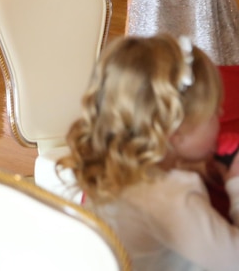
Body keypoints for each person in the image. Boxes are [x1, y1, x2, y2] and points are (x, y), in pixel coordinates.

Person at [60, 35, 239, 268]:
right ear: (175, 131)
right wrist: (236, 182)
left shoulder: (114, 165)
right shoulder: (173, 197)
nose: (220, 115)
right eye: (214, 111)